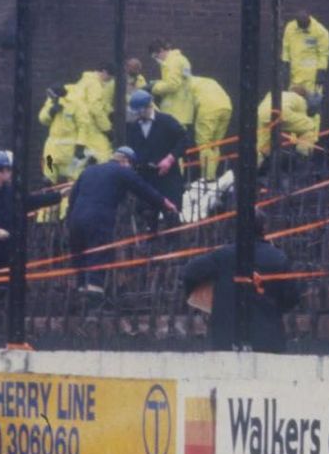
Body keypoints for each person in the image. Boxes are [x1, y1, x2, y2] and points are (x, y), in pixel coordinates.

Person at [0, 150, 61, 338]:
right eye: (8, 169)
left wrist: (57, 196)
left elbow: (30, 202)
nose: (10, 173)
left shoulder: (11, 193)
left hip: (3, 254)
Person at [65, 146, 176, 295]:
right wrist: (165, 203)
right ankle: (93, 301)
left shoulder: (88, 171)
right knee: (99, 255)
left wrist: (70, 220)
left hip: (76, 220)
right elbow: (142, 189)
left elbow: (72, 198)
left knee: (81, 258)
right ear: (126, 161)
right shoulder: (123, 171)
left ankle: (80, 293)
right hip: (99, 219)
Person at [181, 223, 301, 353]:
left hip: (226, 338)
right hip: (268, 337)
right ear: (264, 229)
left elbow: (189, 272)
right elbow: (292, 298)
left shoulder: (223, 255)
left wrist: (212, 302)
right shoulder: (278, 257)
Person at [123, 89, 189, 230]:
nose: (137, 115)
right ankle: (152, 245)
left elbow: (184, 140)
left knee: (171, 213)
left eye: (139, 112)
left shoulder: (166, 121)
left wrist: (170, 159)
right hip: (146, 177)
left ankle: (174, 245)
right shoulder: (133, 127)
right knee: (148, 214)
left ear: (148, 107)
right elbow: (131, 148)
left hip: (168, 177)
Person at [38, 82, 91, 189]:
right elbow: (42, 119)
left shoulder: (76, 103)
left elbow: (84, 125)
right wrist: (51, 112)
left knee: (72, 182)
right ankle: (48, 201)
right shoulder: (52, 101)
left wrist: (80, 145)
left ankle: (68, 204)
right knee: (48, 179)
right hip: (51, 151)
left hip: (69, 152)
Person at [187, 73, 235, 180]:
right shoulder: (206, 80)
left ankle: (207, 178)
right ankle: (212, 175)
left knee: (204, 144)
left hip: (208, 109)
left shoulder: (184, 85)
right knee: (215, 144)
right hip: (226, 107)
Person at [280, 10, 329, 107]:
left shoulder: (321, 32)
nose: (302, 28)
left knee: (312, 106)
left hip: (311, 78)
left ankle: (313, 122)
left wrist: (321, 71)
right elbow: (285, 47)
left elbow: (324, 54)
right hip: (294, 76)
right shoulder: (290, 28)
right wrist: (285, 63)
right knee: (293, 104)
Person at [256, 89, 321, 163]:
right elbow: (300, 127)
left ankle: (254, 166)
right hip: (281, 112)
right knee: (310, 126)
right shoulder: (302, 101)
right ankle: (303, 157)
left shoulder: (281, 93)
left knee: (262, 148)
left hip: (262, 113)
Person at [146, 40, 198, 126]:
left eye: (156, 56)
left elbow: (172, 85)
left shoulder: (172, 62)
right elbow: (180, 82)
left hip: (174, 111)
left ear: (161, 50)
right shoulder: (181, 59)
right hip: (183, 112)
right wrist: (159, 82)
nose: (157, 59)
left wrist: (153, 87)